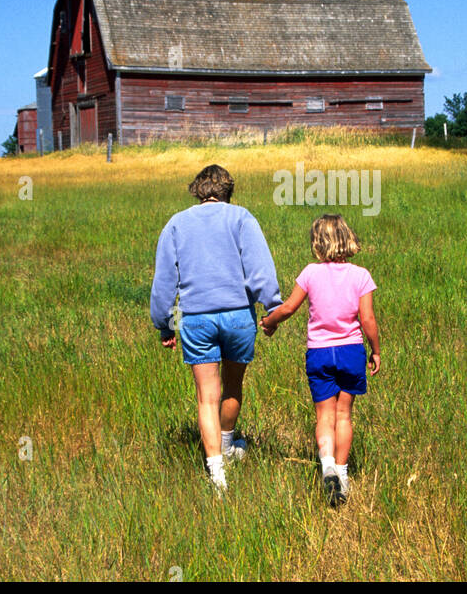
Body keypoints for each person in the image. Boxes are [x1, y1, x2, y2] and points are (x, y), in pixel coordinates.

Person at [150, 164, 282, 491]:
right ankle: (227, 443)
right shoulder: (241, 218)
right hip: (239, 315)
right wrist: (273, 306)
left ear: (198, 190)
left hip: (196, 319)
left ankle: (217, 474)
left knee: (206, 398)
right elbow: (260, 267)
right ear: (228, 191)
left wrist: (165, 325)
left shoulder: (177, 224)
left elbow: (164, 282)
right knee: (233, 385)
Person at [260, 214, 379, 507]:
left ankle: (326, 465)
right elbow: (368, 319)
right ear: (347, 237)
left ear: (317, 242)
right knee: (344, 415)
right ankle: (342, 472)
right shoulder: (361, 275)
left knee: (324, 415)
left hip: (319, 353)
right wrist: (375, 349)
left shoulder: (310, 273)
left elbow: (288, 307)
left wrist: (270, 322)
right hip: (351, 351)